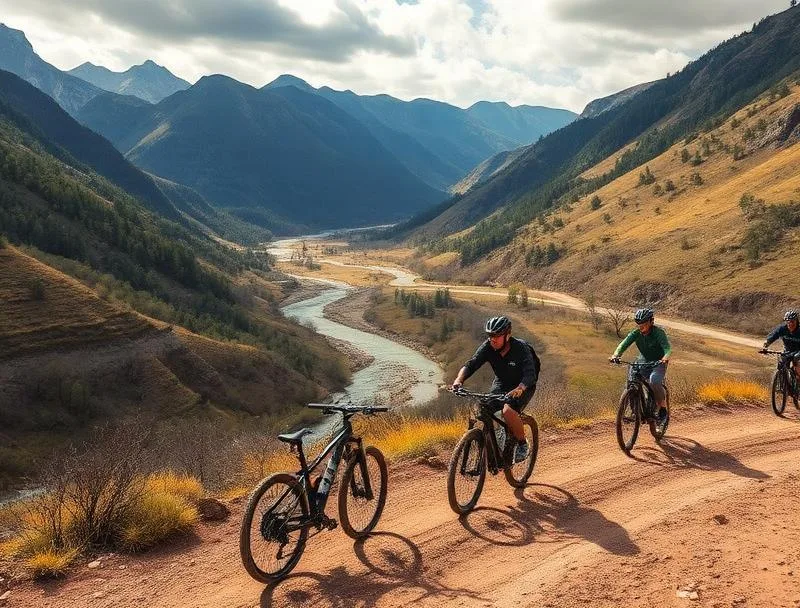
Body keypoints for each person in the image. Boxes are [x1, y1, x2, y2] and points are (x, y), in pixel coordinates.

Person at [451, 316, 539, 463]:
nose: (493, 339)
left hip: (523, 385)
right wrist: (458, 380)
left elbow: (530, 374)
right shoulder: (488, 347)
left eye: (497, 335)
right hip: (502, 383)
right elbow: (471, 364)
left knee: (507, 411)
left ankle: (523, 444)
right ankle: (499, 434)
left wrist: (521, 388)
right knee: (485, 407)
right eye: (490, 335)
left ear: (508, 335)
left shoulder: (521, 348)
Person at [609, 308, 672, 423]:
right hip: (643, 361)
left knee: (654, 381)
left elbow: (667, 348)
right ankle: (635, 412)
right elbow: (624, 344)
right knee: (631, 382)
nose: (641, 326)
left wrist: (665, 357)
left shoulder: (658, 333)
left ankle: (662, 409)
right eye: (639, 324)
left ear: (651, 322)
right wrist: (616, 355)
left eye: (644, 323)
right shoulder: (636, 334)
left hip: (658, 362)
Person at [760, 310, 800, 387]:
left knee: (796, 362)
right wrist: (765, 346)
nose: (791, 324)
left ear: (797, 321)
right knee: (781, 364)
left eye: (793, 321)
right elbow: (772, 337)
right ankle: (782, 384)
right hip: (787, 351)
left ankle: (798, 382)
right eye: (788, 322)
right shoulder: (782, 329)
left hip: (798, 351)